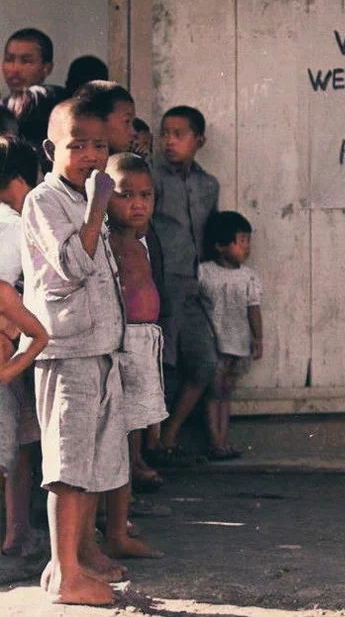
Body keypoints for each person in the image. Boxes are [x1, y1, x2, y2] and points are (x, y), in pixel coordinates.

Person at [22, 98, 127, 605]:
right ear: (50, 149)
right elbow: (73, 266)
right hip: (66, 352)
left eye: (100, 145)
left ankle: (68, 563)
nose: (90, 154)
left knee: (90, 461)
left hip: (97, 348)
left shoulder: (86, 196)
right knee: (67, 465)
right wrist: (96, 208)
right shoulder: (45, 200)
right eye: (76, 144)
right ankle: (67, 576)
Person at [100, 153, 165, 559]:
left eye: (145, 195)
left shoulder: (141, 238)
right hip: (120, 346)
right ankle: (110, 523)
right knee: (114, 438)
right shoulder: (107, 240)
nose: (137, 204)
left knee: (132, 435)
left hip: (144, 344)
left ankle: (119, 519)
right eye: (126, 195)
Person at [150, 106, 219, 463]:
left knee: (205, 362)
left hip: (194, 285)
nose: (169, 141)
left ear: (199, 141)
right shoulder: (152, 177)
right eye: (165, 133)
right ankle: (150, 446)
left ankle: (170, 433)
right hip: (160, 283)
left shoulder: (208, 185)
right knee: (163, 366)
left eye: (179, 134)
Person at [0, 136, 50, 559]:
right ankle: (17, 532)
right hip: (10, 348)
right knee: (16, 442)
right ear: (20, 180)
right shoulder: (18, 225)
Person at [198, 211, 263, 460]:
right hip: (214, 344)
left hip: (237, 345)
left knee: (225, 394)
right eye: (241, 240)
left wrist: (258, 339)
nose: (247, 247)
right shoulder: (204, 273)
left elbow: (253, 310)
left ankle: (224, 440)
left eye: (248, 240)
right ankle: (215, 441)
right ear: (220, 245)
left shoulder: (248, 277)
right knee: (213, 394)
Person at [3, 29, 65, 150]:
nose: (15, 69)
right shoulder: (3, 106)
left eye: (26, 61)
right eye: (9, 59)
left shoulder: (55, 105)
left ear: (47, 68)